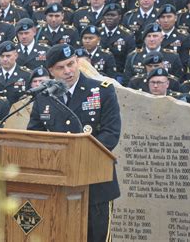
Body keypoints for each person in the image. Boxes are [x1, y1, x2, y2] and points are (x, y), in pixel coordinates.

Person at [27, 43, 121, 242]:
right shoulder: (44, 98)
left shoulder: (102, 91)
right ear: (51, 71)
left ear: (78, 62)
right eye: (61, 67)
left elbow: (111, 134)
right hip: (58, 185)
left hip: (96, 182)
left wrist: (76, 158)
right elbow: (35, 136)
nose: (68, 71)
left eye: (71, 64)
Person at [99, 3, 136, 83]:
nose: (109, 18)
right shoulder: (97, 33)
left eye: (113, 15)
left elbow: (129, 59)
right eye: (107, 15)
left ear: (119, 17)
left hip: (118, 74)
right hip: (98, 72)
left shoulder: (127, 35)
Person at [0, 41, 31, 105]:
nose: (5, 59)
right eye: (2, 56)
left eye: (8, 56)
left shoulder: (27, 75)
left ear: (16, 56)